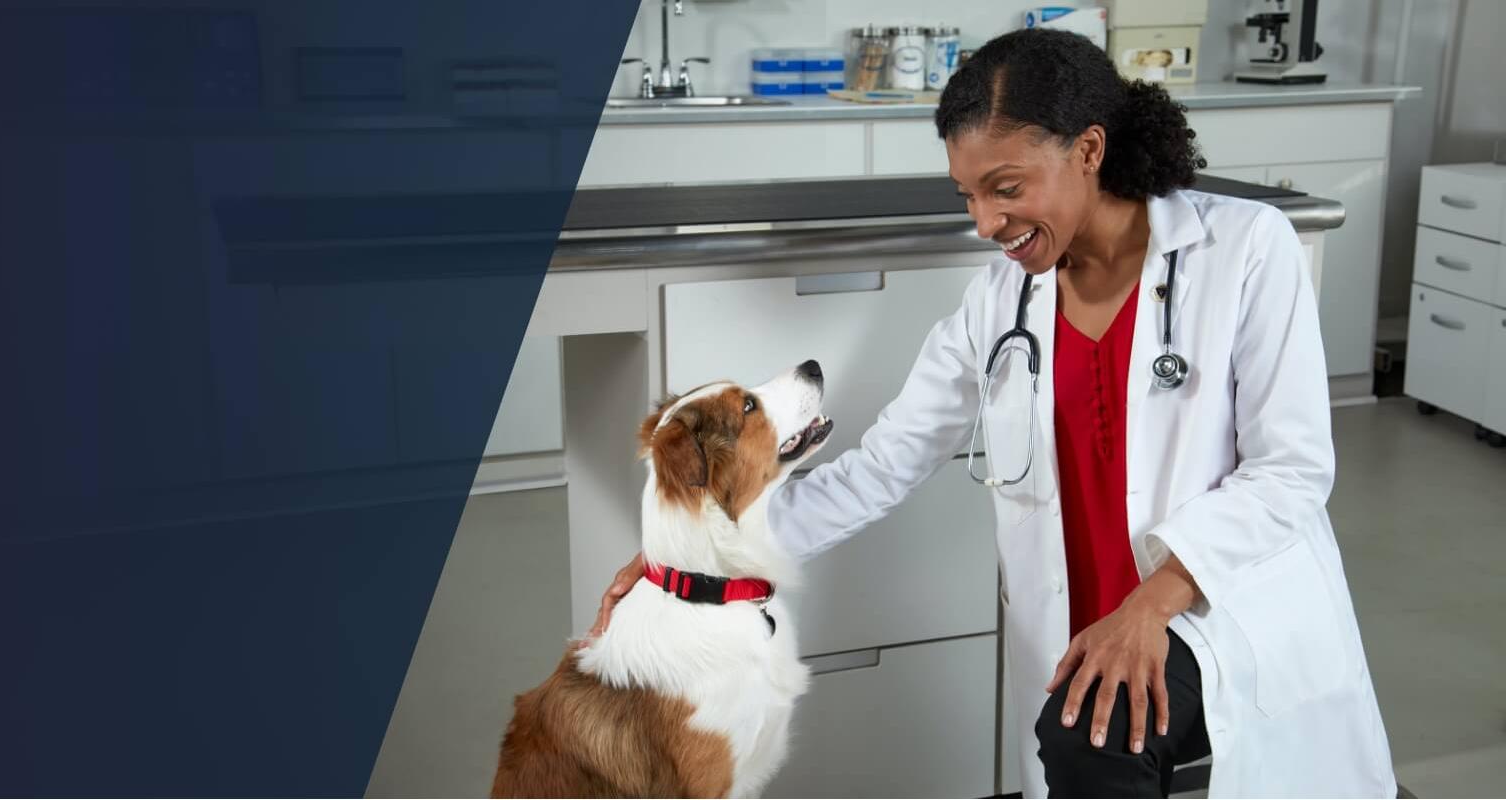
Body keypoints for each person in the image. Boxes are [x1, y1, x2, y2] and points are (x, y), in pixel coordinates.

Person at [586, 29, 1395, 798]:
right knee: (1090, 731)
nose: (985, 222)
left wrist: (1149, 606)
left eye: (1007, 189)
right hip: (1079, 623)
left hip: (1210, 603)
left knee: (1096, 738)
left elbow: (1291, 470)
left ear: (1089, 150)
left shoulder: (1248, 249)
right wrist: (696, 558)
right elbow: (884, 465)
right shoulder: (1000, 304)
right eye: (969, 193)